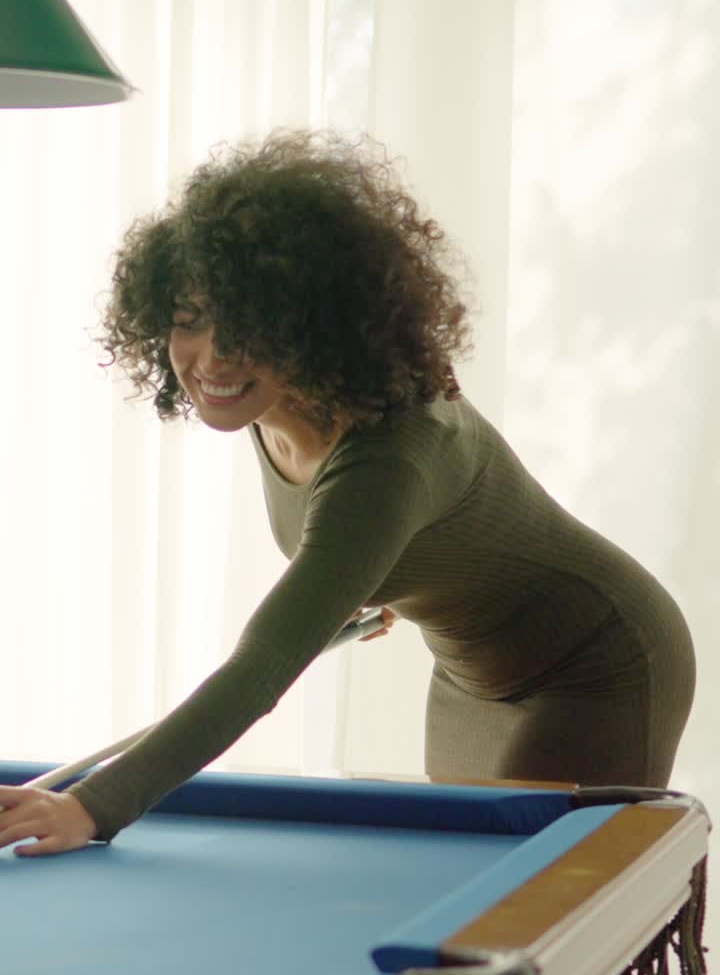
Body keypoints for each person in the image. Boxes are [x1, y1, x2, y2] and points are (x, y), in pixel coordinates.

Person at [0, 129, 696, 857]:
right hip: (468, 670)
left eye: (250, 328)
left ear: (319, 328)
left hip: (597, 661)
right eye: (191, 320)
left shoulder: (389, 454)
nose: (213, 359)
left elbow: (263, 664)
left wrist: (92, 806)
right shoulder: (265, 406)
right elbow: (399, 543)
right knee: (462, 885)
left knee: (541, 912)